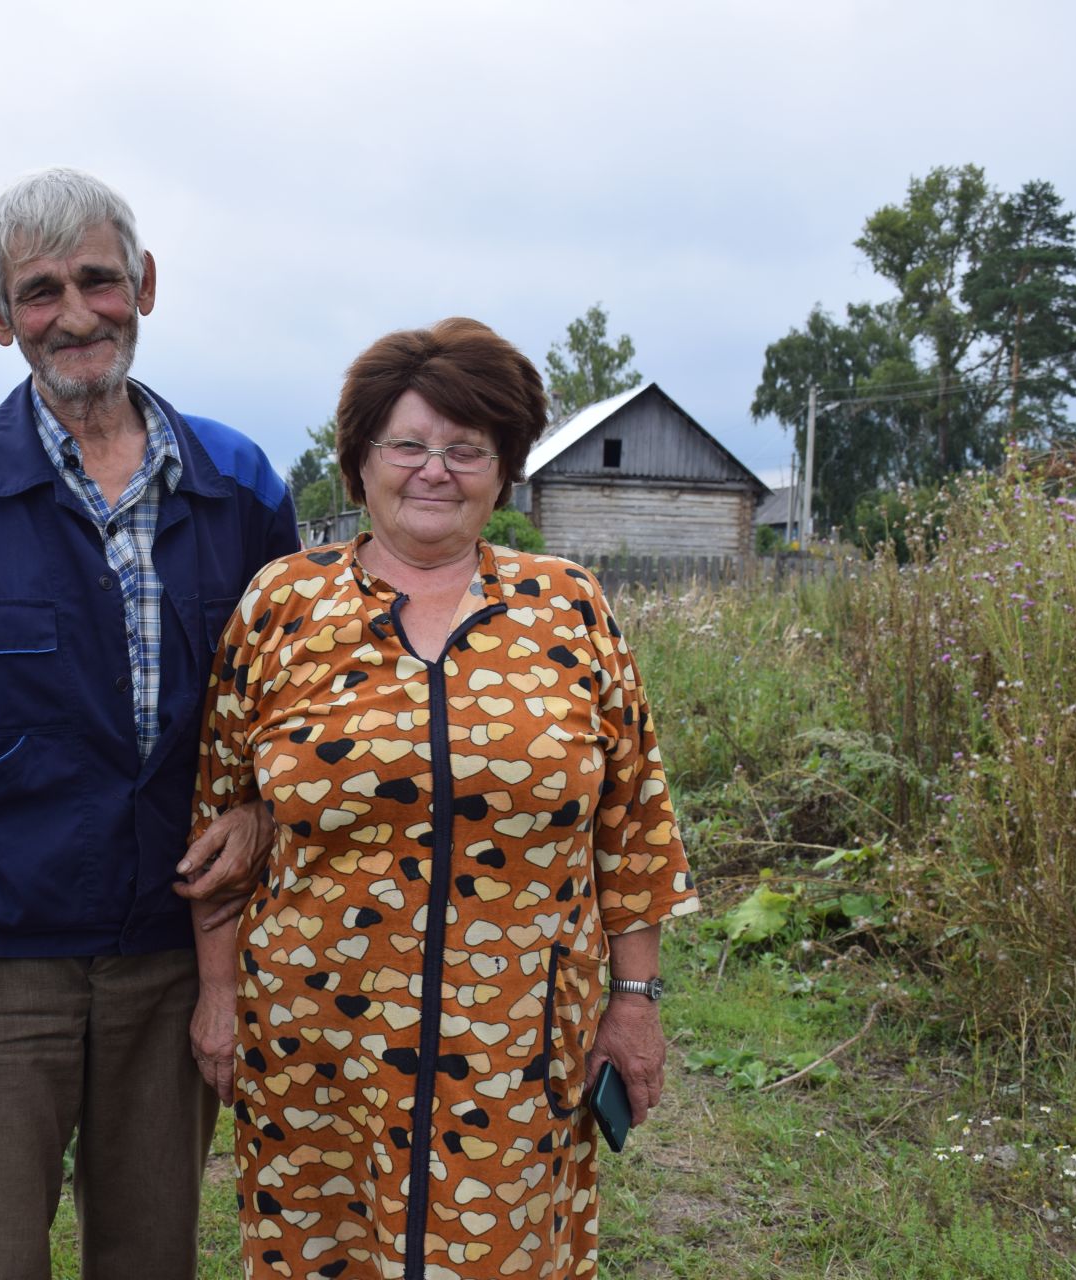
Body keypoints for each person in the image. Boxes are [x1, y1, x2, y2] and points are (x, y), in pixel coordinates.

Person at [0, 167, 298, 1280]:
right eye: (39, 292)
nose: (74, 314)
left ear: (147, 286)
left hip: (172, 948)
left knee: (149, 1251)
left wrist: (267, 814)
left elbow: (295, 719)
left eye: (98, 280)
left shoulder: (239, 485)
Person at [188, 317, 700, 1278]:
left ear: (503, 469)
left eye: (467, 449)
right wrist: (219, 995)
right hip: (315, 1033)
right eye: (409, 446)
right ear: (360, 463)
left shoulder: (569, 607)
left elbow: (634, 827)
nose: (436, 470)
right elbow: (218, 818)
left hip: (515, 1038)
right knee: (320, 1257)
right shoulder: (283, 608)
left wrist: (633, 1002)